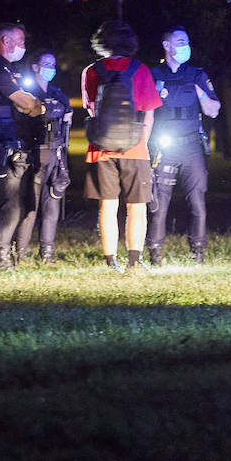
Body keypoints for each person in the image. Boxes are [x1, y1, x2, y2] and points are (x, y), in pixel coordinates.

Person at [82, 20, 162, 272]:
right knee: (136, 206)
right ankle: (134, 262)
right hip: (135, 146)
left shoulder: (91, 71)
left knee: (107, 204)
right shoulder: (140, 70)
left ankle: (110, 261)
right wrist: (143, 141)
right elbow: (148, 112)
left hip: (101, 148)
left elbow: (91, 108)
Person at [146, 26, 220, 265]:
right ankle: (155, 253)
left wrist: (198, 91)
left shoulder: (197, 74)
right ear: (167, 46)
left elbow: (214, 110)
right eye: (179, 41)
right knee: (159, 203)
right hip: (164, 148)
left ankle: (197, 253)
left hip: (191, 147)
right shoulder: (154, 74)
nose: (185, 46)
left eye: (187, 41)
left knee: (197, 201)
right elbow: (143, 111)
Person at [0, 22, 45, 270]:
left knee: (23, 203)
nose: (24, 46)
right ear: (5, 42)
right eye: (20, 40)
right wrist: (34, 105)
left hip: (20, 145)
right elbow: (29, 104)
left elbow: (30, 105)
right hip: (6, 146)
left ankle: (13, 254)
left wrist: (33, 105)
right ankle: (3, 256)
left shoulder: (10, 71)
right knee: (10, 204)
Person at [21, 50, 72, 265]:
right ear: (35, 67)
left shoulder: (58, 93)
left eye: (53, 63)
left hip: (57, 152)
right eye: (46, 63)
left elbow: (67, 118)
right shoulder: (26, 91)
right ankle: (20, 253)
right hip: (34, 153)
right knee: (30, 206)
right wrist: (50, 110)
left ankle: (47, 254)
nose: (50, 67)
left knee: (52, 205)